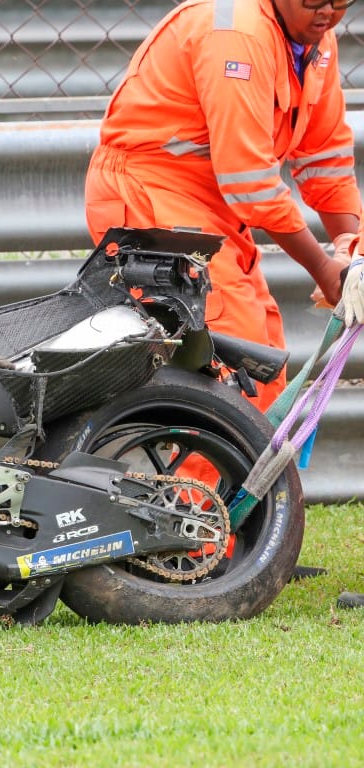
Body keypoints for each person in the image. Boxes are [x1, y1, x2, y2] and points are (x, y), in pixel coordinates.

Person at [84, 0, 363, 584]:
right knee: (220, 364)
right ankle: (185, 541)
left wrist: (353, 246)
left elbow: (326, 158)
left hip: (210, 209)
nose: (330, 11)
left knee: (264, 365)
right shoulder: (233, 34)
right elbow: (249, 180)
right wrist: (325, 271)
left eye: (343, 0)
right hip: (154, 194)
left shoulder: (315, 43)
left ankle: (243, 533)